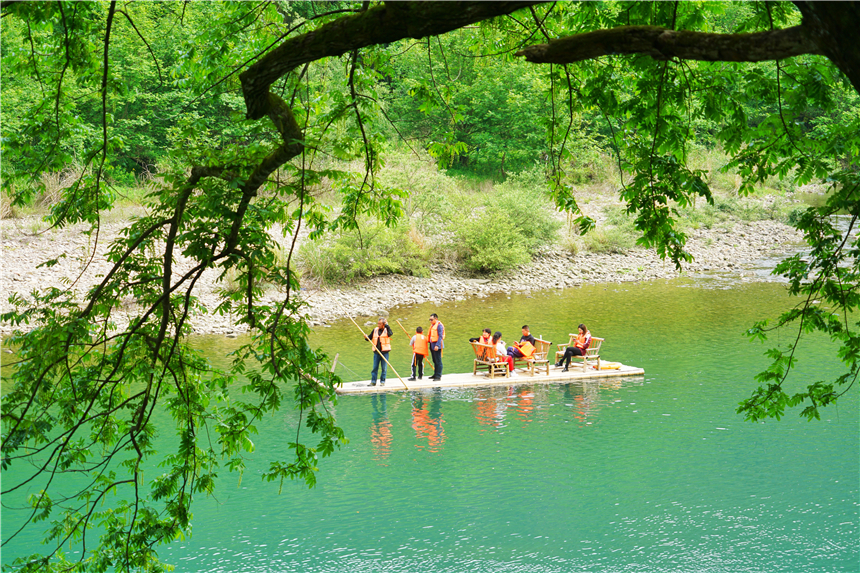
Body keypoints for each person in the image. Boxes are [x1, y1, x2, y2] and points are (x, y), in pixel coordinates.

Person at [366, 317, 393, 386]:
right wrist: (366, 337)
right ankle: (373, 381)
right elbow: (369, 338)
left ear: (383, 324)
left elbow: (390, 333)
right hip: (376, 352)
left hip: (385, 352)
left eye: (380, 324)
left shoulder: (387, 330)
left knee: (384, 368)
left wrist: (387, 325)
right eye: (378, 323)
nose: (378, 325)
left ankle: (382, 381)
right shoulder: (375, 330)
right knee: (375, 368)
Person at [428, 313, 445, 381]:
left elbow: (440, 336)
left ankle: (438, 376)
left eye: (431, 319)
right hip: (432, 345)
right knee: (434, 360)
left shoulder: (439, 326)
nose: (430, 321)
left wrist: (437, 345)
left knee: (438, 361)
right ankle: (435, 374)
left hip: (437, 345)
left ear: (436, 319)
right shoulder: (432, 325)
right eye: (430, 319)